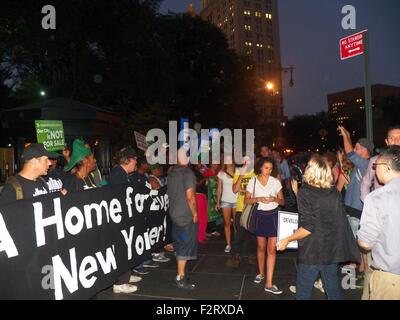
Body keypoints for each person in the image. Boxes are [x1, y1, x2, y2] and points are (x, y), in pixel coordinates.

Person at [277, 155, 360, 300]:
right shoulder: (334, 192)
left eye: (308, 166)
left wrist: (287, 239)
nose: (305, 168)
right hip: (331, 251)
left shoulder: (306, 191)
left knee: (303, 293)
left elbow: (308, 226)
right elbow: (328, 217)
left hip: (312, 252)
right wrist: (298, 194)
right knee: (333, 292)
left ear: (312, 171)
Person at [359, 125, 400, 299]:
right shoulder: (376, 160)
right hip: (379, 226)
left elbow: (364, 242)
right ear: (386, 141)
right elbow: (365, 184)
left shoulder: (379, 197)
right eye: (393, 138)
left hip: (389, 260)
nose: (396, 141)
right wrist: (368, 206)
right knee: (371, 277)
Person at [245, 157, 284, 294]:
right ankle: (261, 273)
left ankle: (269, 283)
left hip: (273, 216)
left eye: (271, 168)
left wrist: (274, 199)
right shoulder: (253, 180)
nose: (268, 170)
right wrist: (259, 199)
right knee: (261, 247)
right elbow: (246, 200)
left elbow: (283, 201)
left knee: (271, 250)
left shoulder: (275, 182)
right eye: (266, 168)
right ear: (260, 167)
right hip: (260, 216)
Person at [107, 146, 142, 294]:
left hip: (124, 218)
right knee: (122, 248)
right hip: (118, 220)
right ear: (128, 160)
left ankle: (126, 274)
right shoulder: (117, 174)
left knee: (128, 247)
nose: (136, 163)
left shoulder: (124, 174)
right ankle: (119, 283)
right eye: (135, 159)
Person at [338, 126, 373, 272]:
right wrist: (346, 135)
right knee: (356, 242)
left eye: (358, 148)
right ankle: (360, 268)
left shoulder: (366, 164)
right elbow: (351, 152)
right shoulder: (360, 166)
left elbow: (350, 153)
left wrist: (346, 135)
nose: (354, 150)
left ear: (365, 150)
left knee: (355, 243)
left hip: (357, 211)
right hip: (352, 209)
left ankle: (360, 269)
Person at [167, 150, 198, 290]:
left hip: (174, 213)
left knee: (179, 243)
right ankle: (180, 276)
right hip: (185, 215)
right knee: (185, 246)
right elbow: (190, 197)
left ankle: (181, 272)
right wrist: (195, 213)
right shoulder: (188, 173)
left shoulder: (172, 172)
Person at [227, 156, 256, 268]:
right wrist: (241, 176)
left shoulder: (256, 173)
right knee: (240, 233)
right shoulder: (238, 172)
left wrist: (243, 190)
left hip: (252, 207)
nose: (245, 162)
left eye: (248, 160)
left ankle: (252, 254)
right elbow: (234, 190)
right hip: (240, 207)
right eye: (243, 160)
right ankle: (236, 255)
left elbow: (256, 191)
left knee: (252, 234)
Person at [215, 155, 238, 253]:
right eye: (226, 160)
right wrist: (217, 202)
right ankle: (228, 244)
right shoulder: (221, 173)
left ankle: (237, 244)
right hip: (225, 201)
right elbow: (219, 189)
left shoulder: (238, 172)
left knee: (236, 224)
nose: (228, 161)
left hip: (237, 200)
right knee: (227, 223)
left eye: (230, 159)